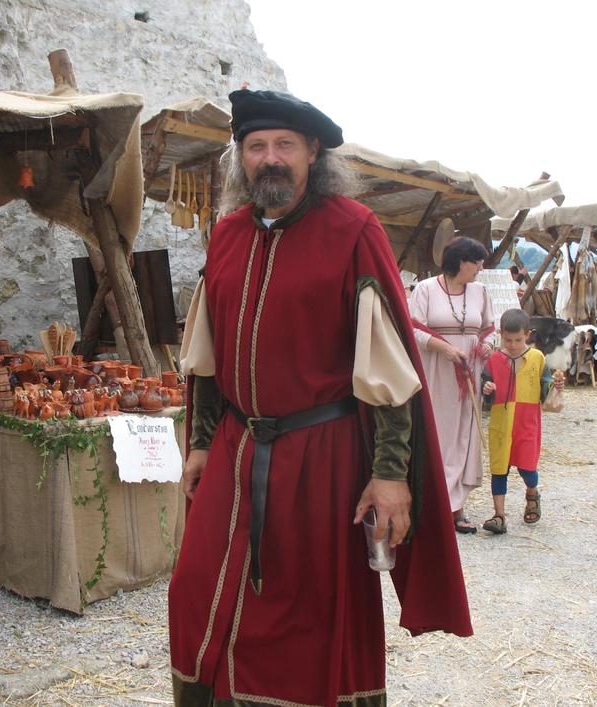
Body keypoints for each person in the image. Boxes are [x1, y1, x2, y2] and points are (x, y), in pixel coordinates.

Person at [169, 89, 471, 707]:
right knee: (196, 592)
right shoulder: (225, 236)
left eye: (284, 144)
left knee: (305, 619)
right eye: (256, 146)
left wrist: (390, 474)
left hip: (321, 458)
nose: (270, 158)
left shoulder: (352, 231)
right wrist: (201, 443)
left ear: (312, 152)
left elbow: (387, 367)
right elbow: (206, 352)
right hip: (236, 447)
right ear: (241, 157)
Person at [409, 237, 495, 534]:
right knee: (438, 435)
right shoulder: (425, 289)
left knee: (463, 437)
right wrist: (444, 348)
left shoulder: (480, 292)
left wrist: (487, 346)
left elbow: (490, 328)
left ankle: (456, 507)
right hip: (435, 372)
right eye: (477, 262)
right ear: (461, 261)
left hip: (469, 374)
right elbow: (412, 327)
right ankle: (432, 505)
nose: (480, 268)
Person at [480, 309, 564, 533]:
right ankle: (499, 515)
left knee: (528, 468)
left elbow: (545, 387)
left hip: (527, 423)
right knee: (499, 469)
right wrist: (486, 388)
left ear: (527, 334)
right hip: (501, 424)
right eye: (508, 340)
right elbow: (485, 389)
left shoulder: (537, 358)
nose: (513, 345)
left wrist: (554, 387)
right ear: (501, 334)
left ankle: (532, 492)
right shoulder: (494, 359)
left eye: (518, 340)